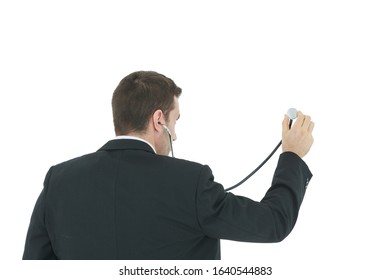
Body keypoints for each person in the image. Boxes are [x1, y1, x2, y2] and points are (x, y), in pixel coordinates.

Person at [23, 70, 314, 260]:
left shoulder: (58, 181)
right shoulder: (192, 181)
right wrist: (292, 155)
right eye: (175, 122)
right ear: (158, 119)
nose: (175, 134)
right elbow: (272, 223)